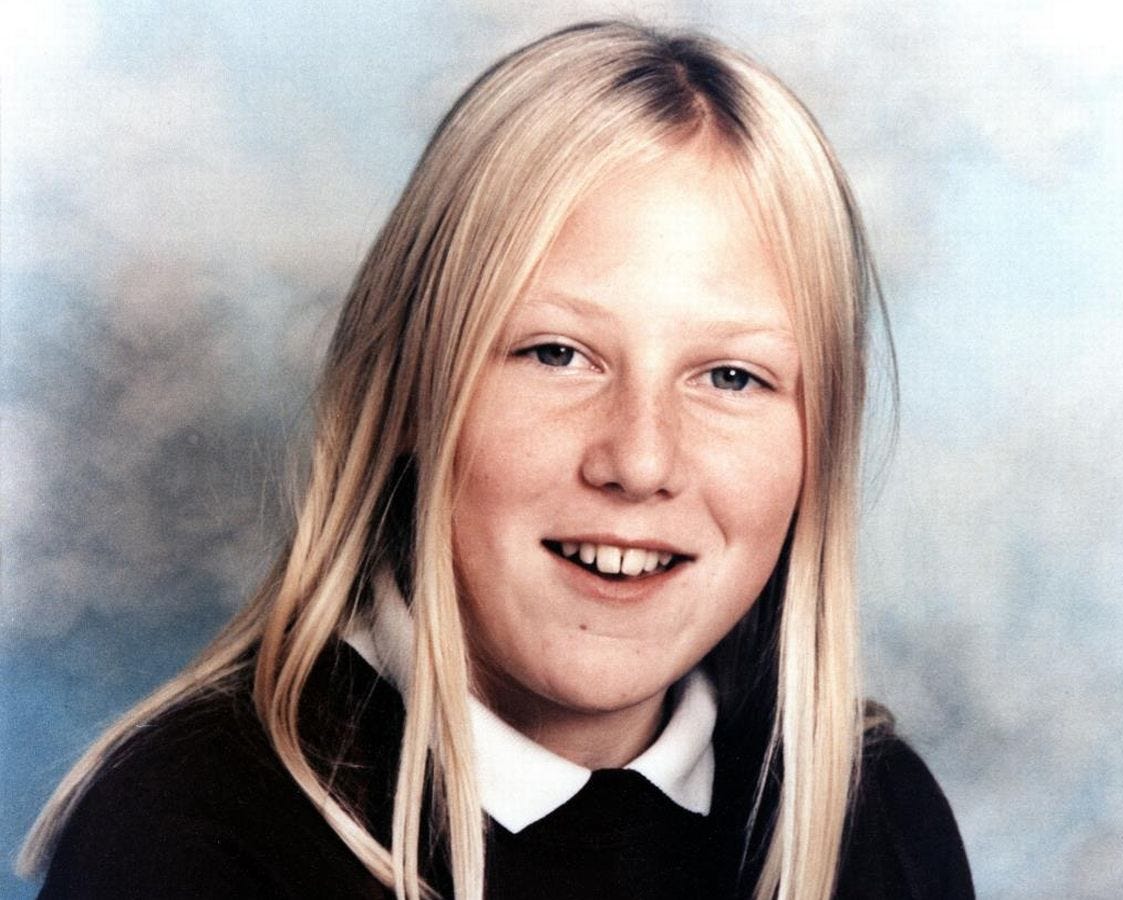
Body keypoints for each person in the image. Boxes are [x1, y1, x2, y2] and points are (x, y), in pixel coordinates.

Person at [19, 21, 973, 900]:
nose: (641, 460)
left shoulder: (878, 824)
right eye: (557, 353)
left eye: (731, 375)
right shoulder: (190, 835)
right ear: (409, 391)